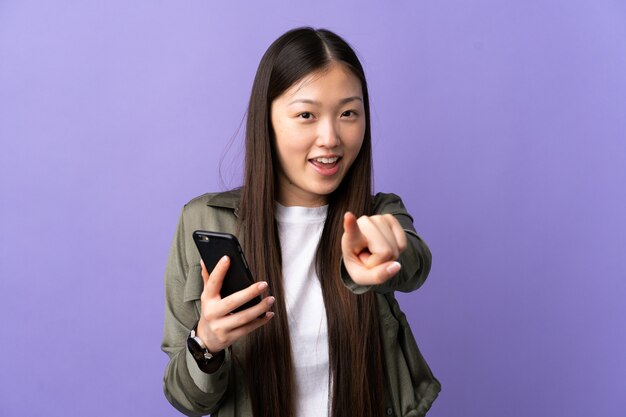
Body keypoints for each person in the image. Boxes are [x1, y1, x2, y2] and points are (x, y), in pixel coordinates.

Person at [161, 27, 441, 417]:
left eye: (348, 114)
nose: (330, 137)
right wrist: (206, 342)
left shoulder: (377, 215)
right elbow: (186, 399)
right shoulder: (205, 219)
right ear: (268, 120)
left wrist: (388, 253)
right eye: (306, 115)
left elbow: (414, 263)